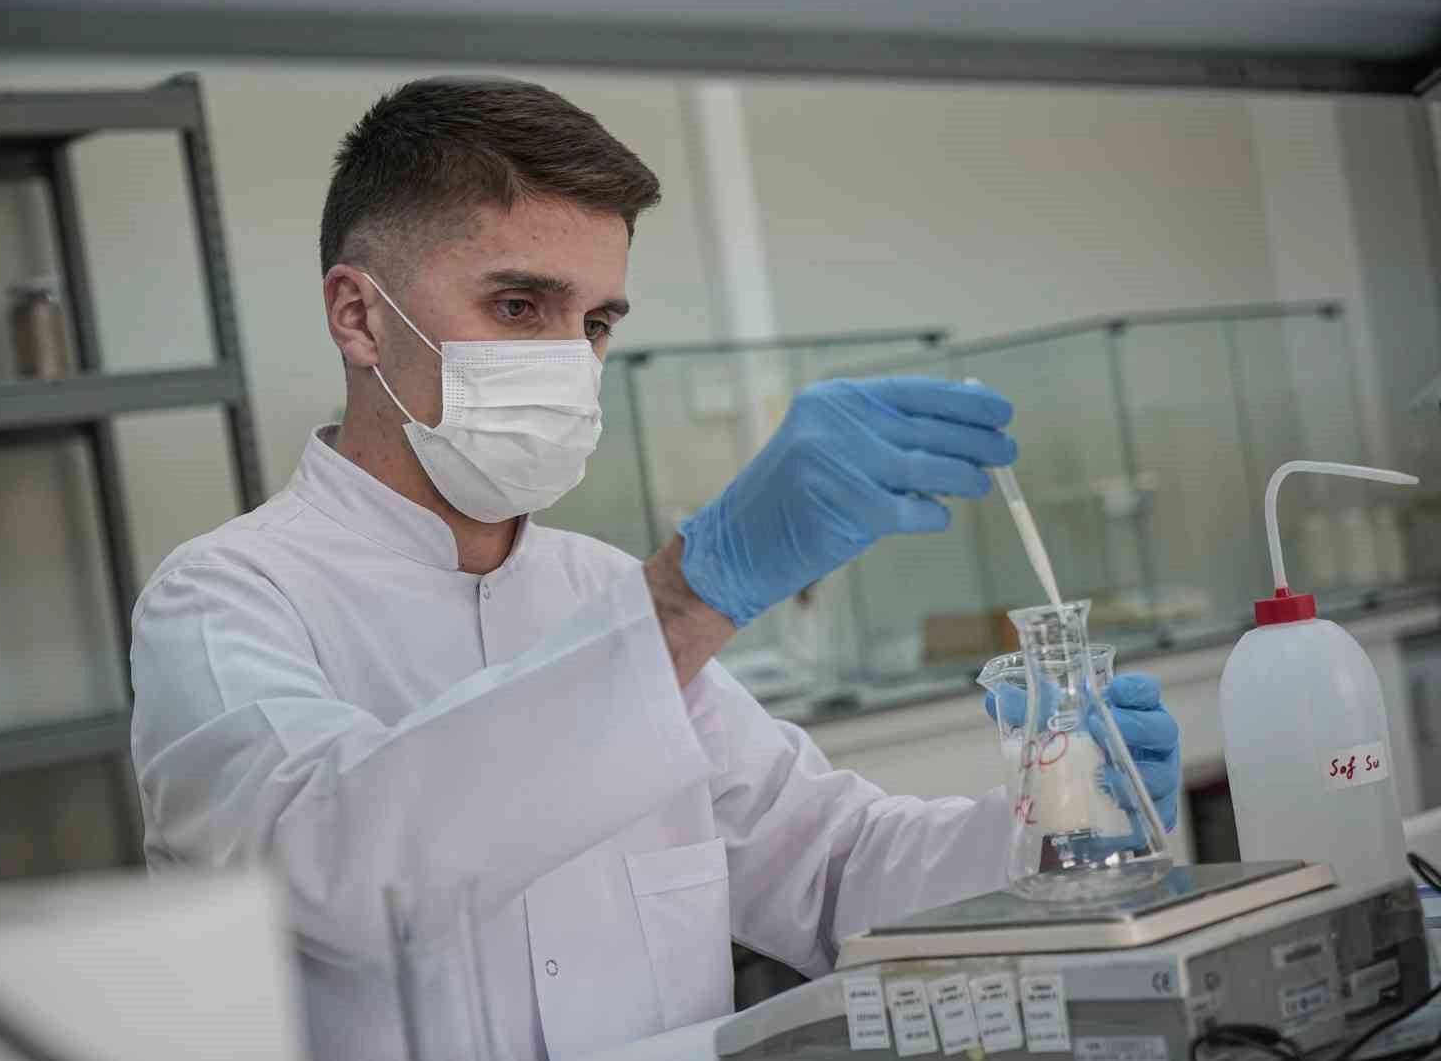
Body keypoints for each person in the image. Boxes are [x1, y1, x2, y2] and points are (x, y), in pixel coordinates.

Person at [129, 78, 1180, 1060]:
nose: (570, 360)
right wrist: (687, 596)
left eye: (594, 323)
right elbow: (335, 878)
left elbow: (831, 869)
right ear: (358, 315)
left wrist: (1053, 825)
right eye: (518, 306)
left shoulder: (598, 592)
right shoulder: (225, 599)